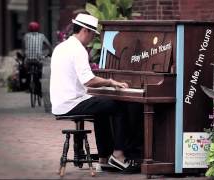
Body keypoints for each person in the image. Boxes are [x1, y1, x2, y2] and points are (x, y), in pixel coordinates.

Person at [50, 13, 137, 173]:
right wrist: (111, 82)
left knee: (102, 108)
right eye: (92, 35)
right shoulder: (78, 49)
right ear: (85, 30)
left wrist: (101, 89)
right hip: (71, 103)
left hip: (60, 102)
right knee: (117, 105)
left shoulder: (61, 47)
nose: (92, 40)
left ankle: (104, 158)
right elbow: (88, 80)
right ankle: (118, 155)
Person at [23, 21, 52, 96]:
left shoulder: (26, 36)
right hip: (38, 60)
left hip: (28, 60)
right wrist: (50, 53)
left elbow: (23, 47)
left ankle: (27, 82)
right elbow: (49, 45)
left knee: (25, 67)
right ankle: (38, 82)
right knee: (39, 71)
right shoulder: (42, 36)